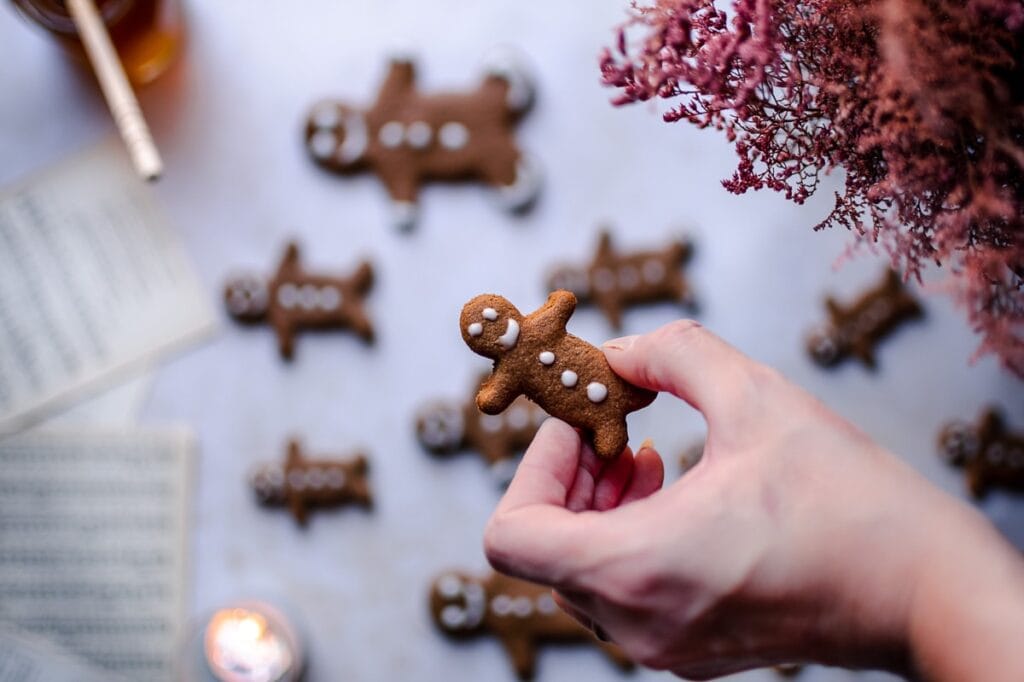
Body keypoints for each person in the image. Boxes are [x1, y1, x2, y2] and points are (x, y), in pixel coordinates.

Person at [483, 320, 1024, 681]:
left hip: (606, 401)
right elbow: (497, 390)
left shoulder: (538, 328)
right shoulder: (516, 360)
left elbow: (557, 308)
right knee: (607, 440)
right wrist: (897, 593)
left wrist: (887, 598)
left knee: (609, 442)